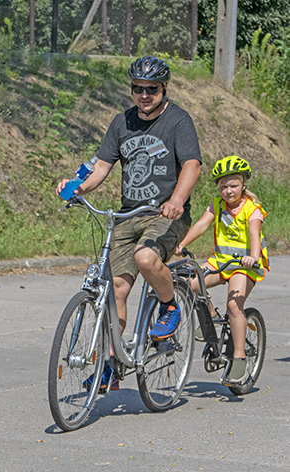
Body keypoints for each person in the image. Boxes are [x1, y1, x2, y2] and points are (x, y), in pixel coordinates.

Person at [56, 56, 202, 392]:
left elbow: (192, 165)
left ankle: (169, 306)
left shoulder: (179, 121)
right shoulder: (121, 122)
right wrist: (75, 187)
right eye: (138, 89)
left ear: (163, 89)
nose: (144, 95)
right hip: (128, 215)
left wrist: (177, 200)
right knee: (116, 290)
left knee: (146, 258)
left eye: (151, 89)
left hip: (165, 215)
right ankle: (112, 364)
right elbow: (102, 168)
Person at [174, 155, 269, 384]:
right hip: (220, 261)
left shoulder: (251, 209)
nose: (228, 191)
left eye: (233, 185)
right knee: (190, 283)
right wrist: (183, 244)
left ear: (243, 185)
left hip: (245, 265)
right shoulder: (217, 205)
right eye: (223, 186)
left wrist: (253, 257)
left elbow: (255, 234)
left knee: (234, 305)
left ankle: (239, 357)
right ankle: (210, 319)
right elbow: (201, 224)